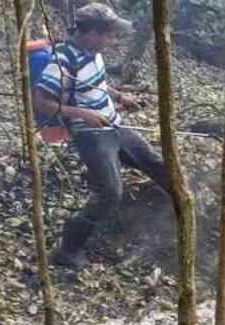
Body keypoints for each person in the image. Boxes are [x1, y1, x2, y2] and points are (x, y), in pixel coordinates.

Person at [32, 3, 170, 269]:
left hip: (114, 125)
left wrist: (119, 96)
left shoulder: (94, 53)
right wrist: (83, 114)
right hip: (90, 134)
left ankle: (177, 214)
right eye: (109, 34)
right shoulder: (63, 60)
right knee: (109, 192)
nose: (112, 40)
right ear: (92, 32)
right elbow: (41, 101)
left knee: (156, 164)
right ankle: (68, 249)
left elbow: (96, 82)